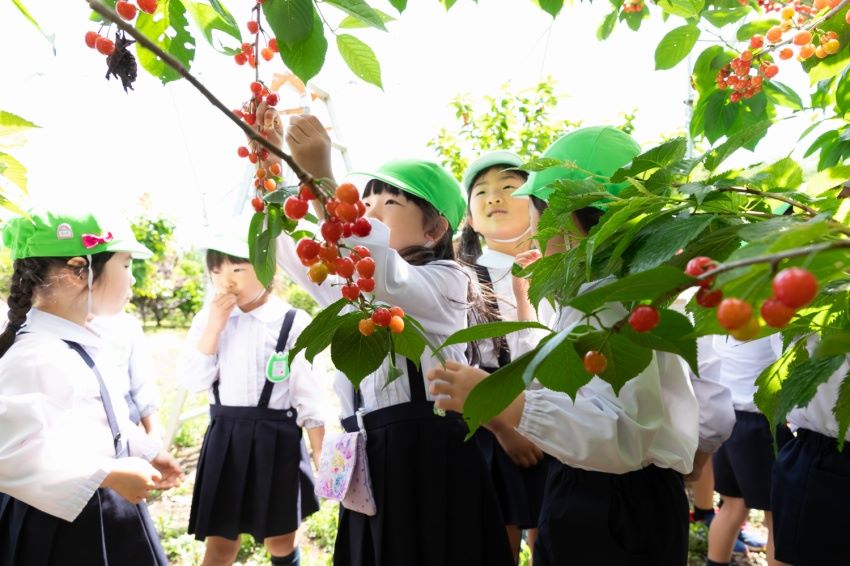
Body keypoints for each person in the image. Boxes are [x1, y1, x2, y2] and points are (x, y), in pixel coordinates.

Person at [428, 127, 700, 565]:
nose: (530, 225)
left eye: (535, 210)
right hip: (597, 490)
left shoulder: (612, 306)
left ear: (569, 217)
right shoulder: (598, 297)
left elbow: (621, 437)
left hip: (612, 505)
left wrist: (508, 405)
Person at [273, 110, 514, 565]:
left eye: (389, 203)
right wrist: (270, 162)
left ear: (435, 228)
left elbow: (389, 277)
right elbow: (293, 252)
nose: (366, 210)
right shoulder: (357, 283)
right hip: (370, 454)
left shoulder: (446, 282)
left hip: (426, 452)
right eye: (363, 201)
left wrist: (326, 181)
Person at [0, 210, 183, 565]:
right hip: (63, 528)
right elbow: (9, 455)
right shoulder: (36, 355)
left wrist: (142, 449)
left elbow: (103, 414)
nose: (133, 278)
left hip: (100, 504)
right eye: (126, 264)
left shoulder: (78, 341)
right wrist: (109, 473)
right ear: (77, 270)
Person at [179, 215, 326, 566]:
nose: (225, 282)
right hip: (225, 438)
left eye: (237, 270)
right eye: (216, 271)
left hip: (277, 438)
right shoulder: (208, 320)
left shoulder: (291, 321)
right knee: (220, 544)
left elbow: (309, 393)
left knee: (280, 540)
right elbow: (195, 381)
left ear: (266, 267)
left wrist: (320, 449)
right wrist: (214, 327)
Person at [459, 150, 551, 561]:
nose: (493, 197)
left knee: (553, 532)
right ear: (470, 219)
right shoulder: (462, 277)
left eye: (508, 187)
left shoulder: (563, 268)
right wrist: (506, 428)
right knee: (500, 534)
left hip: (565, 421)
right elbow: (462, 366)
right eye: (481, 192)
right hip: (494, 424)